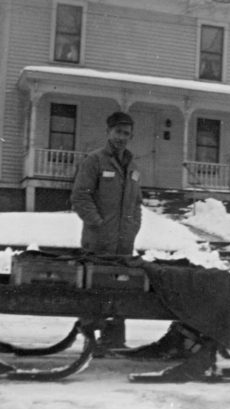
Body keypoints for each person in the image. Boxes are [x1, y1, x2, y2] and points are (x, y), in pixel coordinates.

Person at [71, 111, 142, 350]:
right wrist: (97, 223)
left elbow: (136, 202)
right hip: (98, 241)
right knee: (95, 289)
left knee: (121, 288)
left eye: (127, 134)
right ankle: (90, 342)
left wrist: (134, 226)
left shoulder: (132, 165)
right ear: (108, 132)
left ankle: (115, 340)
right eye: (118, 132)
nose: (122, 137)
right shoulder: (94, 161)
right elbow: (80, 196)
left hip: (124, 243)